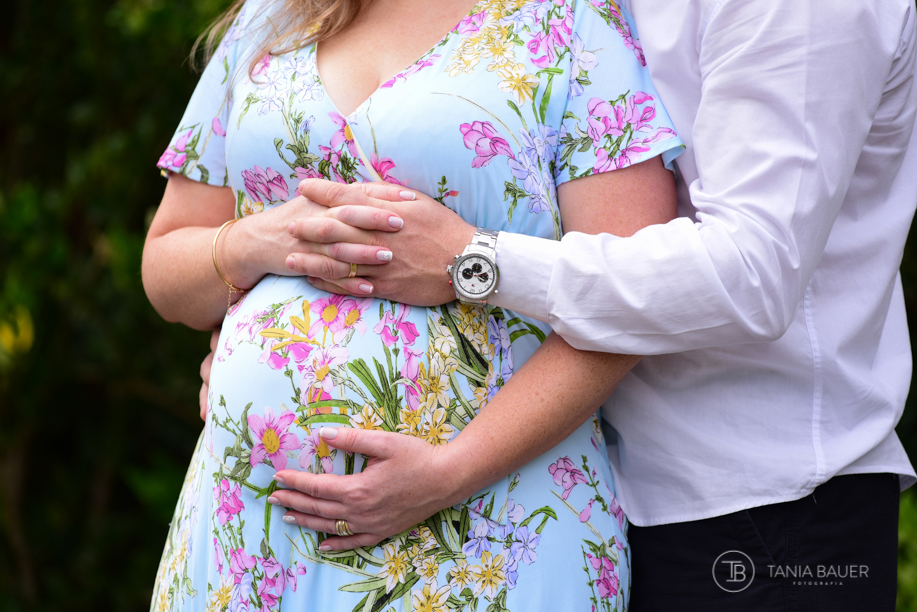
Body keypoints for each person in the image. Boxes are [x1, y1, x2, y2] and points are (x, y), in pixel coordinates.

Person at [206, 0, 917, 609]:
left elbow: (752, 275)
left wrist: (472, 263)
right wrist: (270, 333)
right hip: (582, 493)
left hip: (758, 510)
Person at [142, 0, 684, 610]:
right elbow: (166, 266)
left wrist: (448, 474)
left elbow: (635, 297)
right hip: (252, 529)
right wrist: (256, 241)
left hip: (491, 524)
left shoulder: (572, 21)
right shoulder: (272, 18)